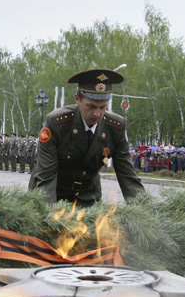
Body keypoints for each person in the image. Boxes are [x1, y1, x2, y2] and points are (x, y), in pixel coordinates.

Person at [29, 69, 144, 206]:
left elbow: (128, 176)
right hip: (53, 191)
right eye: (91, 106)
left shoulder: (115, 127)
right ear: (78, 99)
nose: (97, 114)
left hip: (88, 195)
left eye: (103, 107)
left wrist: (144, 211)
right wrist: (48, 214)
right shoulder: (57, 124)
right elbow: (46, 177)